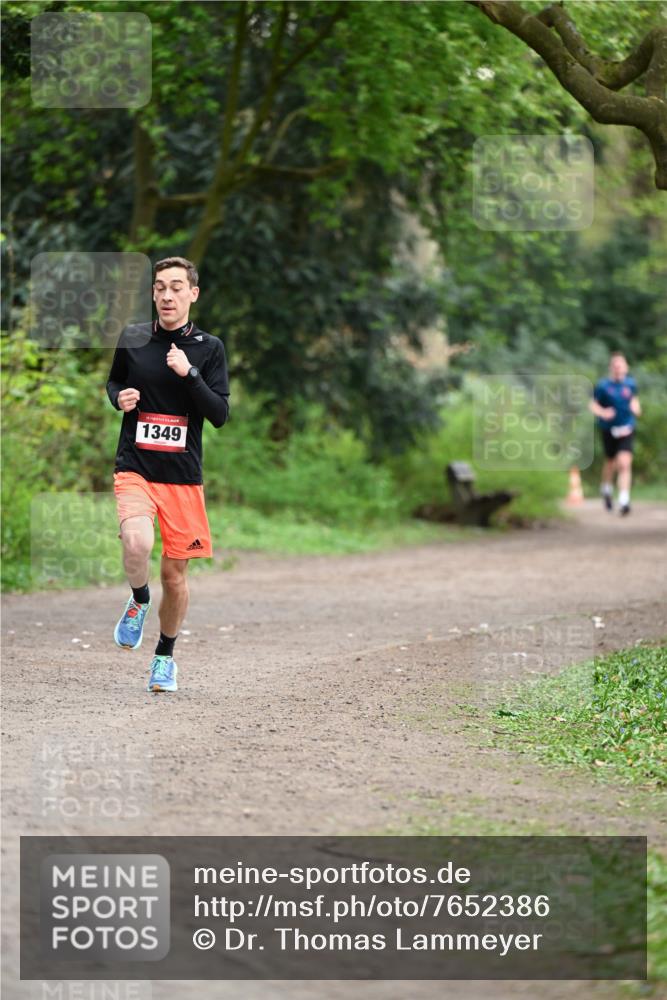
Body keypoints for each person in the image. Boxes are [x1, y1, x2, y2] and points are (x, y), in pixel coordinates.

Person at [106, 256, 229, 692]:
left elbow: (219, 414)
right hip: (135, 465)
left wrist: (190, 374)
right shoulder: (134, 338)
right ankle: (139, 601)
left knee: (175, 578)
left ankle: (164, 657)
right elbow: (114, 382)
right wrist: (119, 398)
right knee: (137, 541)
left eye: (177, 287)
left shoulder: (209, 349)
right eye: (160, 287)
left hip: (182, 477)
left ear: (193, 294)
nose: (167, 295)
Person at [589, 352, 640, 516]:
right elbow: (593, 405)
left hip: (627, 428)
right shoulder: (603, 386)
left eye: (621, 365)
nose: (618, 368)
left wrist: (636, 408)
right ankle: (606, 488)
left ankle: (624, 500)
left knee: (624, 463)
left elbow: (634, 401)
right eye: (615, 365)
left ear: (626, 367)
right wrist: (603, 412)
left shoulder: (631, 385)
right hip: (609, 430)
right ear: (611, 368)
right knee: (610, 462)